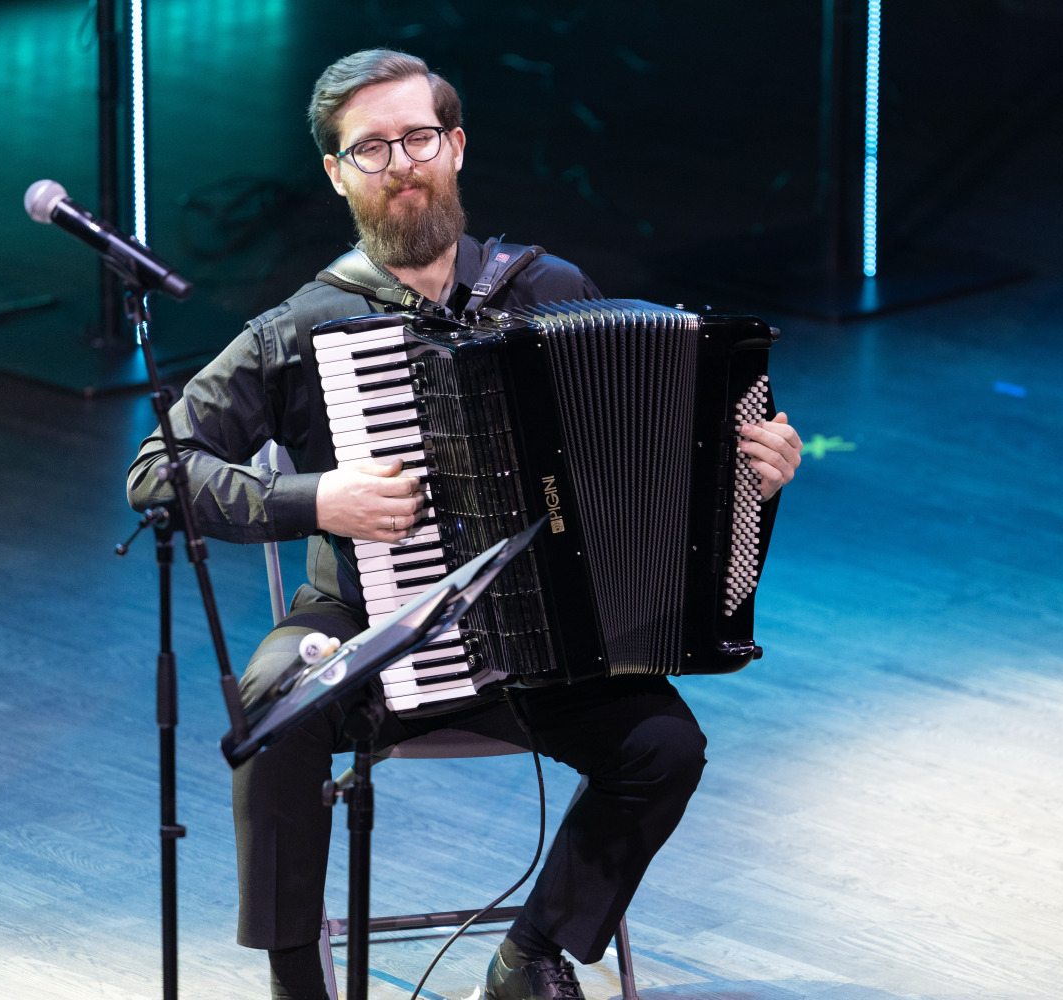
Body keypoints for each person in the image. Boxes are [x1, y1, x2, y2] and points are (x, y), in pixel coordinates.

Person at [127, 48, 803, 1000]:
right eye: (371, 148)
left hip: (548, 639)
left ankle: (532, 955)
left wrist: (752, 471)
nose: (401, 163)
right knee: (275, 709)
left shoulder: (549, 289)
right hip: (371, 627)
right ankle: (298, 983)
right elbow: (158, 470)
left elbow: (654, 457)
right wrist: (318, 499)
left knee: (663, 748)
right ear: (337, 174)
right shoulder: (304, 328)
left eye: (418, 137)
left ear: (455, 147)